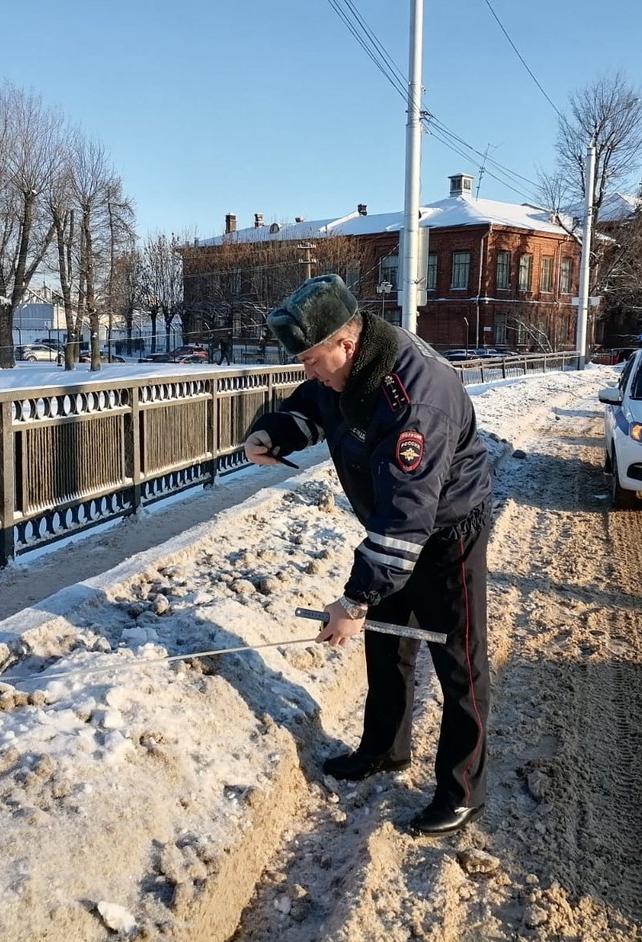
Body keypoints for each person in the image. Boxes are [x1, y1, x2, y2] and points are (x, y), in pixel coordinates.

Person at [244, 273, 491, 838]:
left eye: (311, 358)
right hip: (394, 522)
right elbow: (316, 401)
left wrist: (354, 600)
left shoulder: (414, 400)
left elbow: (408, 517)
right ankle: (385, 748)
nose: (305, 371)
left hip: (448, 530)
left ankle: (464, 789)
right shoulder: (349, 368)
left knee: (460, 664)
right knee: (388, 641)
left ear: (346, 344)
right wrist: (275, 433)